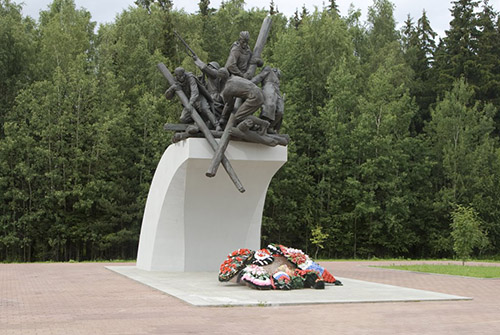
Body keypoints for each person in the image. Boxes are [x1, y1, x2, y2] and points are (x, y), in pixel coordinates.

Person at [251, 66, 284, 133]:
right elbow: (259, 77)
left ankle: (269, 126)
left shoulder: (277, 79)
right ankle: (260, 125)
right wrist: (249, 83)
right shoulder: (268, 69)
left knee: (280, 111)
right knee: (270, 106)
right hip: (268, 88)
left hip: (277, 92)